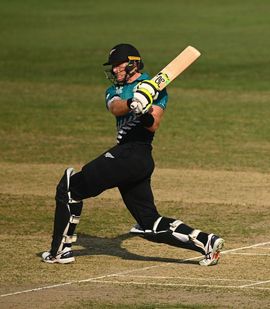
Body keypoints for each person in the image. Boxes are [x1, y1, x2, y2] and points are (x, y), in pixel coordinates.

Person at [42, 43, 224, 266]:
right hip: (132, 160)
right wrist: (133, 103)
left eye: (118, 65)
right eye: (113, 66)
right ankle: (207, 242)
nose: (115, 70)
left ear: (132, 64)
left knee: (69, 189)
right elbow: (115, 107)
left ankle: (59, 251)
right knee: (148, 223)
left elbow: (153, 124)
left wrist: (145, 109)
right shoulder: (114, 91)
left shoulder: (156, 88)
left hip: (133, 154)